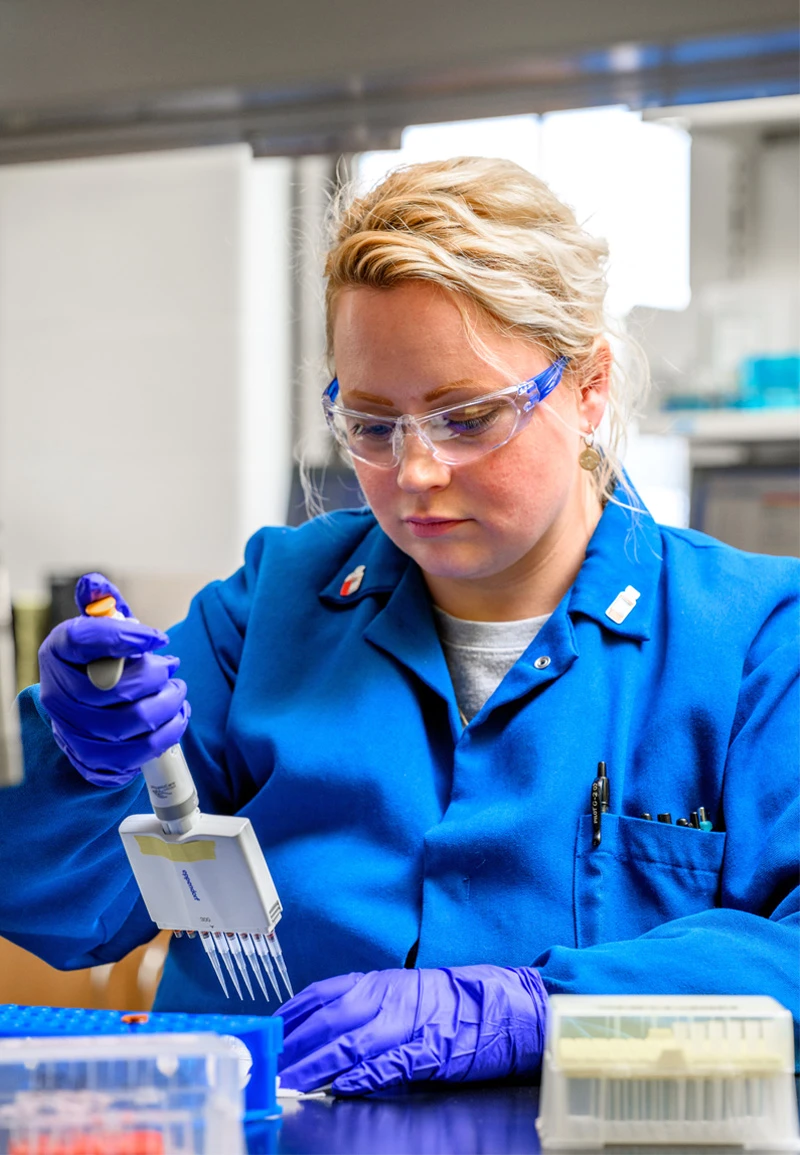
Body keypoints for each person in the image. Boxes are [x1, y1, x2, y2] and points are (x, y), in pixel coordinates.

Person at [1, 158, 797, 1096]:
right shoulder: (274, 605)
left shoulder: (749, 636)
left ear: (588, 386)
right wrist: (78, 759)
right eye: (373, 425)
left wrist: (537, 1009)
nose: (415, 473)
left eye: (467, 418)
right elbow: (62, 910)